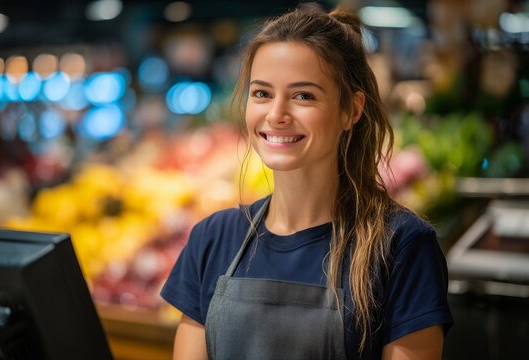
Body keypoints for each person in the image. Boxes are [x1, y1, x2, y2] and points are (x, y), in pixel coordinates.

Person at [161, 6, 453, 360]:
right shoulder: (212, 239)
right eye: (262, 93)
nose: (277, 114)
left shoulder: (401, 246)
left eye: (304, 96)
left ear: (351, 110)